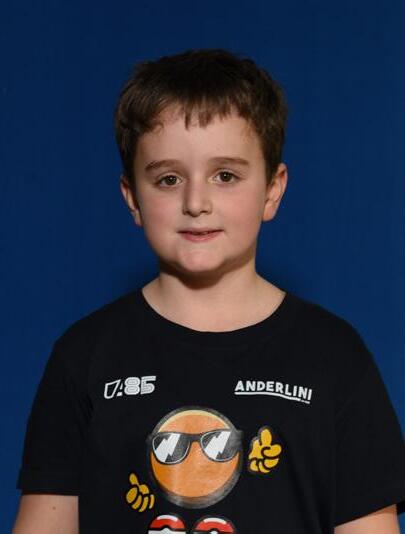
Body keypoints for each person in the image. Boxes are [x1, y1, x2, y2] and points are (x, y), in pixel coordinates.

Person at [13, 48, 405, 533]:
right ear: (132, 197)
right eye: (168, 179)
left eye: (225, 176)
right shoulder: (84, 356)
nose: (196, 202)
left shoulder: (336, 357)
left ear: (273, 189)